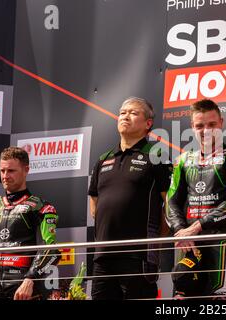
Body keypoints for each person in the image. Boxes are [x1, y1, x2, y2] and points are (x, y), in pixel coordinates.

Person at [166, 99, 226, 299]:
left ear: (221, 123)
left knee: (221, 300)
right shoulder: (183, 160)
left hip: (221, 242)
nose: (206, 130)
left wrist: (197, 226)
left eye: (211, 124)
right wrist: (180, 230)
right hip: (189, 243)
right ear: (192, 128)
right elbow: (171, 202)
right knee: (181, 297)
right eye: (199, 126)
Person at [88, 97, 171, 300]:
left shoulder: (156, 154)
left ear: (148, 124)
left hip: (138, 255)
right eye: (123, 112)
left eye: (133, 113)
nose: (125, 116)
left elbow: (170, 203)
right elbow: (94, 204)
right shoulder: (103, 158)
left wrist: (153, 237)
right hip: (103, 256)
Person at [0, 147, 60, 300]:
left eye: (11, 171)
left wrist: (30, 280)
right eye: (2, 171)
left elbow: (50, 251)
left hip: (23, 293)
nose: (5, 176)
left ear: (26, 170)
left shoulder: (40, 208)